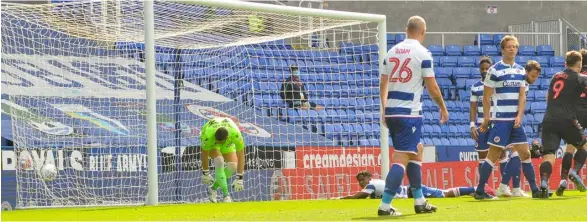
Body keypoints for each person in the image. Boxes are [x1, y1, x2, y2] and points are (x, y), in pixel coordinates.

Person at [377, 15, 448, 216]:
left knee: (416, 150)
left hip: (392, 111)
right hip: (409, 112)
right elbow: (432, 86)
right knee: (401, 157)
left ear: (406, 29)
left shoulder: (390, 52)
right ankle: (385, 205)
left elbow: (383, 83)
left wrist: (384, 109)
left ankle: (419, 200)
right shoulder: (423, 53)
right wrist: (442, 107)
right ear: (423, 32)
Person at [475, 35, 540, 200]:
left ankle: (536, 190)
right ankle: (480, 190)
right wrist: (487, 117)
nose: (512, 49)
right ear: (502, 49)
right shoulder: (494, 70)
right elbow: (486, 96)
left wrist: (519, 115)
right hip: (501, 120)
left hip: (515, 121)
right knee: (493, 155)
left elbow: (522, 96)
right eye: (509, 46)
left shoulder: (520, 71)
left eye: (515, 46)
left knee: (525, 153)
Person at [495, 60, 542, 198]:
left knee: (520, 154)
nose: (535, 79)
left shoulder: (525, 83)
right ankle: (505, 187)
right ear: (526, 72)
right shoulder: (520, 81)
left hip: (514, 120)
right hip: (506, 120)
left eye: (537, 77)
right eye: (533, 75)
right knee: (518, 153)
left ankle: (514, 189)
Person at [554, 49, 587, 196]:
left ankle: (562, 180)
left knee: (570, 147)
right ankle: (575, 170)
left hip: (574, 111)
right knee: (583, 146)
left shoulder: (572, 76)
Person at [332, 171, 495, 200]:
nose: (361, 183)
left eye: (363, 180)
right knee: (445, 193)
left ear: (369, 177)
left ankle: (477, 188)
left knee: (445, 194)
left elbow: (360, 196)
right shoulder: (375, 184)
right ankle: (473, 191)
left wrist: (342, 197)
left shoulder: (372, 185)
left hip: (412, 192)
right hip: (410, 191)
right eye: (359, 181)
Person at [200, 117, 246, 203]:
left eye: (220, 142)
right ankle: (226, 196)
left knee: (232, 166)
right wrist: (205, 172)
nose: (219, 143)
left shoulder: (236, 135)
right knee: (219, 161)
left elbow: (241, 155)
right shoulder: (208, 136)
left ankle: (212, 189)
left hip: (227, 143)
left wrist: (239, 177)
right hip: (212, 143)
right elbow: (204, 154)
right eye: (218, 141)